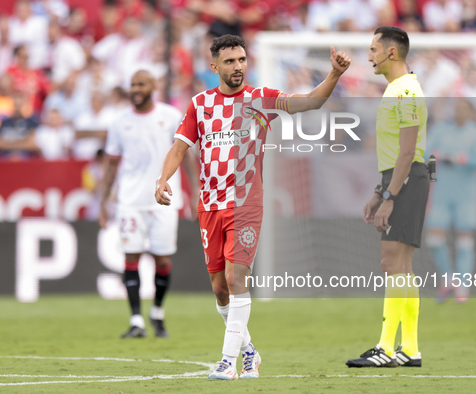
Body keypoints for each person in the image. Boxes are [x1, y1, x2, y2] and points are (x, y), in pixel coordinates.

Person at [155, 34, 351, 380]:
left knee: (235, 277)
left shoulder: (260, 99)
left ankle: (227, 362)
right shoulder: (200, 104)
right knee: (219, 288)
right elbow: (179, 147)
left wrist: (333, 76)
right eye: (230, 61)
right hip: (210, 205)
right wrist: (162, 180)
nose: (238, 67)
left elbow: (309, 103)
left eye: (242, 60)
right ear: (214, 66)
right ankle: (249, 352)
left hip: (246, 202)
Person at [346, 26, 428, 368]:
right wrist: (381, 192)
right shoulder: (398, 88)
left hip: (407, 180)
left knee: (392, 264)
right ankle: (408, 347)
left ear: (391, 52)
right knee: (402, 267)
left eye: (373, 49)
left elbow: (407, 152)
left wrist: (392, 194)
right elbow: (399, 152)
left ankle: (385, 346)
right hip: (401, 181)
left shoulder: (405, 90)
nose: (369, 56)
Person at [100, 69, 200, 339]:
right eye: (133, 84)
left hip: (165, 199)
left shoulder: (169, 117)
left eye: (141, 84)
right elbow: (110, 165)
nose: (136, 89)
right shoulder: (119, 122)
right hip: (130, 200)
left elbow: (186, 156)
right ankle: (136, 320)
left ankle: (156, 311)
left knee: (162, 258)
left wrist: (196, 191)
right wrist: (102, 203)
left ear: (153, 86)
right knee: (130, 255)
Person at [425, 98, 476, 303]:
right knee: (434, 239)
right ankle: (448, 279)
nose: (458, 112)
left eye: (462, 108)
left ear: (470, 111)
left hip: (466, 197)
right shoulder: (440, 131)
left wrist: (464, 159)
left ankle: (463, 286)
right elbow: (426, 156)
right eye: (456, 108)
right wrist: (437, 162)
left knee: (464, 241)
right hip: (442, 195)